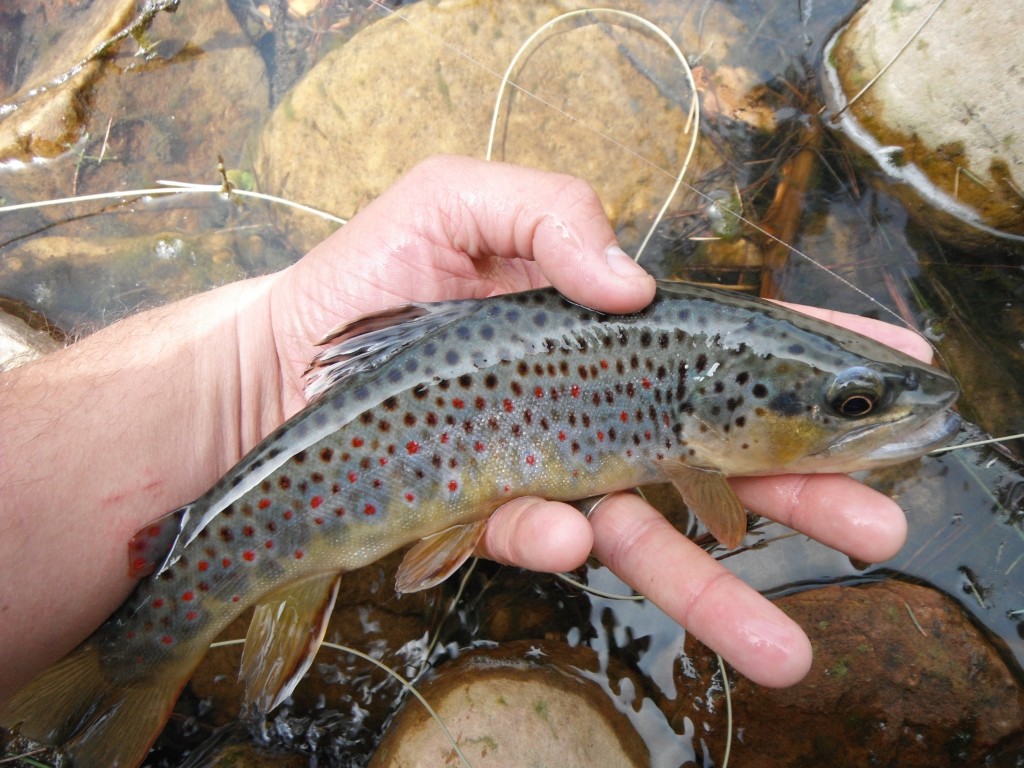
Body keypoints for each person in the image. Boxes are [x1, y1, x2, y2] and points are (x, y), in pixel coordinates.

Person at [0, 156, 924, 702]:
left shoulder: (700, 402)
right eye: (852, 406)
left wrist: (244, 361)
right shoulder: (694, 422)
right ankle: (126, 673)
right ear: (713, 409)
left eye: (853, 406)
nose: (870, 419)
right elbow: (720, 517)